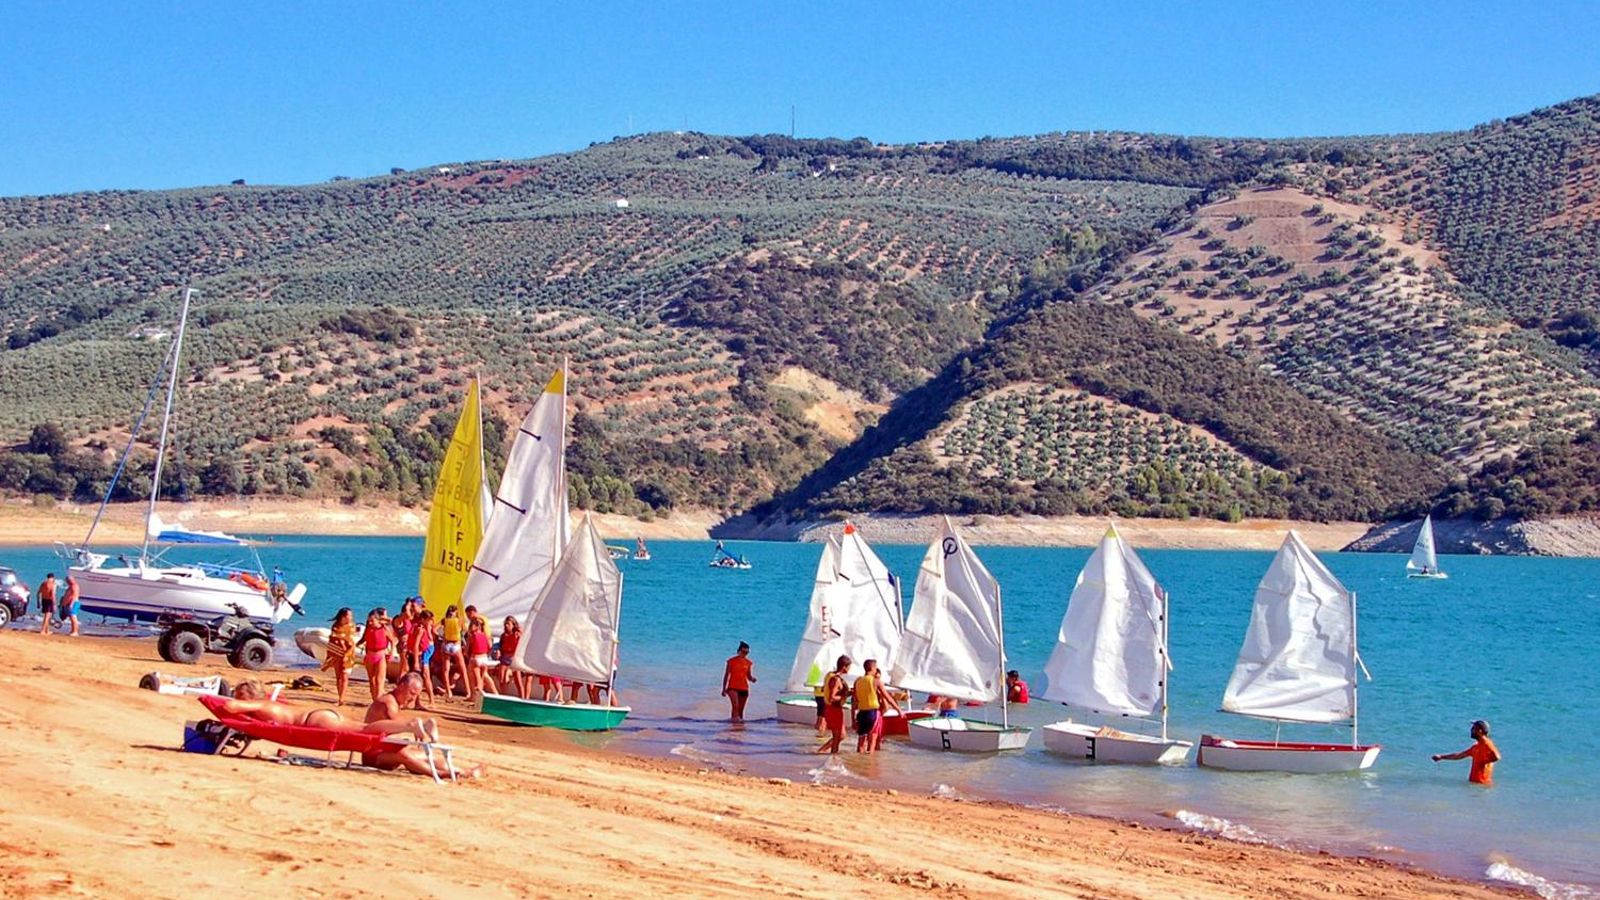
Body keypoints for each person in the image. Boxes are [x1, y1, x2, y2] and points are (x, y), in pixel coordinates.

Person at [364, 672, 484, 779]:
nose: (412, 699)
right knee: (404, 755)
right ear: (401, 686)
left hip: (384, 749)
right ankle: (441, 774)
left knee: (426, 756)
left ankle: (462, 771)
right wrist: (417, 727)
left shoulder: (392, 702)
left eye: (416, 695)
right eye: (411, 693)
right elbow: (397, 722)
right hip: (373, 755)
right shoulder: (388, 703)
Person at [853, 659, 902, 753]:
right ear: (872, 668)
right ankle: (869, 764)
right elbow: (888, 697)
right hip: (872, 713)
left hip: (861, 713)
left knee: (861, 742)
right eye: (875, 668)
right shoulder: (876, 681)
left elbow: (854, 701)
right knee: (872, 741)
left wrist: (853, 718)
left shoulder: (857, 681)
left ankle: (859, 764)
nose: (876, 670)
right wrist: (898, 710)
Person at [1432, 719, 1501, 785]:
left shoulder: (1487, 743)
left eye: (1473, 728)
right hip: (1475, 785)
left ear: (1480, 731)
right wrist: (1441, 757)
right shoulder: (1476, 747)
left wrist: (1483, 762)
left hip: (1482, 785)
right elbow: (1459, 755)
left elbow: (1497, 757)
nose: (1471, 730)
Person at [816, 655, 851, 754]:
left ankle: (822, 751)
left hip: (830, 708)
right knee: (837, 736)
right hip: (833, 709)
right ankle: (833, 758)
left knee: (841, 735)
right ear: (844, 667)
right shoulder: (836, 680)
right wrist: (844, 697)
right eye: (849, 666)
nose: (849, 669)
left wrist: (846, 693)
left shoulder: (829, 675)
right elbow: (832, 697)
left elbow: (824, 689)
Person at [323, 608, 358, 706]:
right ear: (343, 616)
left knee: (344, 675)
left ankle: (342, 699)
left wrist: (345, 649)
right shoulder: (335, 626)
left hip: (349, 653)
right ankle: (340, 697)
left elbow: (350, 640)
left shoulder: (352, 626)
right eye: (349, 615)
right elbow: (335, 638)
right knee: (338, 676)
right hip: (336, 652)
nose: (351, 617)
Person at [439, 605, 469, 700]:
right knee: (463, 669)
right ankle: (468, 692)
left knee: (446, 670)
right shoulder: (460, 620)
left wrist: (441, 637)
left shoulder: (444, 620)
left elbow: (435, 629)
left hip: (446, 644)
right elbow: (465, 630)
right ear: (456, 612)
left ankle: (448, 691)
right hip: (456, 645)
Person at [408, 609, 437, 708]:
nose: (430, 622)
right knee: (424, 677)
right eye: (429, 620)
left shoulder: (419, 627)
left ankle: (419, 702)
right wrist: (416, 661)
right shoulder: (420, 629)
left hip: (418, 654)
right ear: (423, 619)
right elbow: (416, 645)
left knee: (421, 678)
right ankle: (428, 701)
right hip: (419, 656)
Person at [721, 641, 756, 722]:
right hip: (732, 687)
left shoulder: (748, 663)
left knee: (740, 710)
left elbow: (748, 676)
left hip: (744, 688)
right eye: (743, 652)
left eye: (747, 652)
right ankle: (734, 722)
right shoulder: (731, 661)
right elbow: (726, 675)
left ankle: (738, 729)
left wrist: (752, 679)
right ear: (739, 651)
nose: (745, 654)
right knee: (735, 706)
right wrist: (723, 689)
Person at [496, 617, 527, 698]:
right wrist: (498, 651)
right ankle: (503, 696)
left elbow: (523, 641)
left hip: (514, 658)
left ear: (513, 625)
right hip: (505, 658)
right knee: (502, 680)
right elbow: (500, 646)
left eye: (508, 624)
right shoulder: (503, 635)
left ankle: (522, 698)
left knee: (518, 681)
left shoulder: (517, 634)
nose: (506, 625)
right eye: (505, 624)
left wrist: (520, 632)